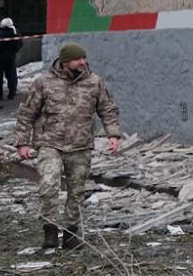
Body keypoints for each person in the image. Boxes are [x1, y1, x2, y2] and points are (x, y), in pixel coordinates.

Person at [14, 42, 122, 250]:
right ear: (65, 62)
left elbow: (108, 109)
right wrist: (22, 143)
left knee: (77, 191)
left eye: (84, 58)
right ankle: (50, 231)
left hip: (80, 145)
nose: (83, 62)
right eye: (77, 59)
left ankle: (72, 234)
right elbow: (26, 113)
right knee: (48, 186)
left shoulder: (94, 82)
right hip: (49, 143)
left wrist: (113, 134)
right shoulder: (44, 83)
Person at [0, 18, 21, 104]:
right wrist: (14, 51)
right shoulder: (15, 32)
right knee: (11, 74)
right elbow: (19, 44)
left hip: (0, 57)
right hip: (11, 57)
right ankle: (12, 92)